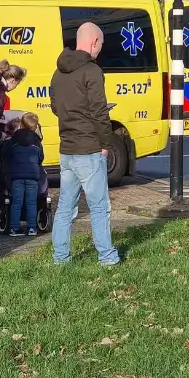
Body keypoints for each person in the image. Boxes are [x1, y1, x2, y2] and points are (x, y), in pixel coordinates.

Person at [50, 22, 120, 266]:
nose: (100, 49)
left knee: (65, 208)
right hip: (89, 147)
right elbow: (99, 111)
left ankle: (60, 258)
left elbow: (56, 107)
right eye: (100, 44)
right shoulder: (92, 71)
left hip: (67, 148)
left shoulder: (58, 72)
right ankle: (107, 257)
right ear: (93, 42)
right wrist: (106, 142)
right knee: (99, 207)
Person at [6, 112, 44, 237]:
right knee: (31, 202)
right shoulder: (37, 141)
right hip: (32, 176)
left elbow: (6, 153)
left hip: (17, 176)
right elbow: (40, 158)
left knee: (17, 202)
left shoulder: (14, 139)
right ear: (35, 126)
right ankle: (32, 228)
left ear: (21, 124)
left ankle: (14, 228)